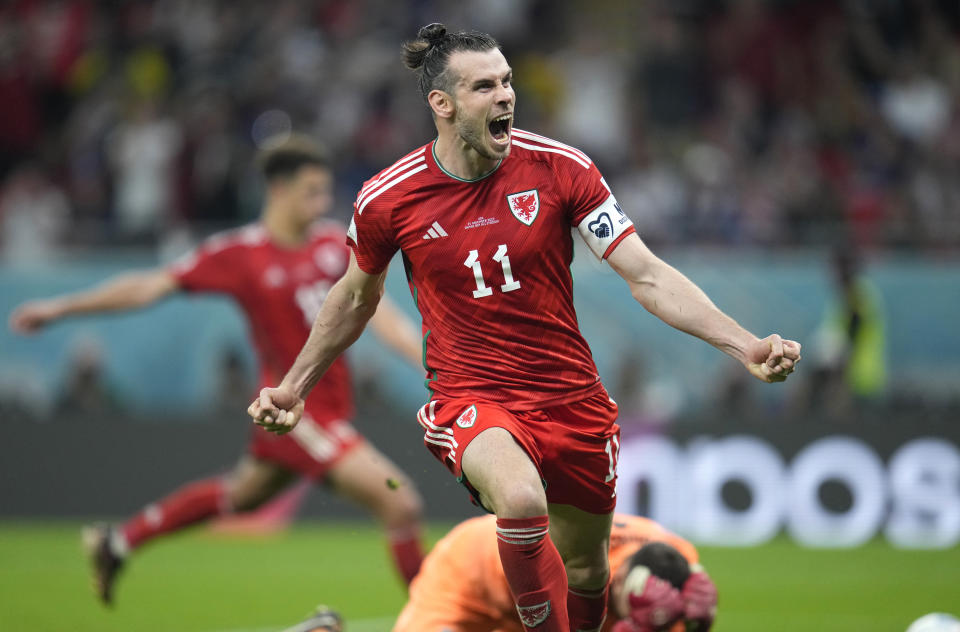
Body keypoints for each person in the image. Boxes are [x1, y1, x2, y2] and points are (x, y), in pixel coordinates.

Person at [249, 24, 800, 632]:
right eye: (485, 86)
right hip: (474, 398)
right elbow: (354, 298)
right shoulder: (388, 198)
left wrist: (744, 343)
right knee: (519, 501)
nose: (506, 95)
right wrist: (295, 386)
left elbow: (644, 274)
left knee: (589, 569)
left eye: (507, 81)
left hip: (572, 401)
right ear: (443, 104)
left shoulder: (563, 168)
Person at [8, 135, 427, 604]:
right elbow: (149, 286)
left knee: (239, 497)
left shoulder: (334, 245)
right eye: (311, 191)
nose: (323, 203)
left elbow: (381, 316)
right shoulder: (239, 254)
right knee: (399, 501)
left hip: (330, 409)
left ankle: (117, 542)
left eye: (325, 191)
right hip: (293, 411)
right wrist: (61, 308)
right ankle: (443, 614)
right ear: (278, 191)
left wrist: (430, 363)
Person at [286, 513, 717, 632]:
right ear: (617, 580)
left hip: (528, 605)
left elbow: (682, 585)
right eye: (624, 611)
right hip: (470, 574)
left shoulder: (674, 558)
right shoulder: (579, 569)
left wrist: (700, 622)